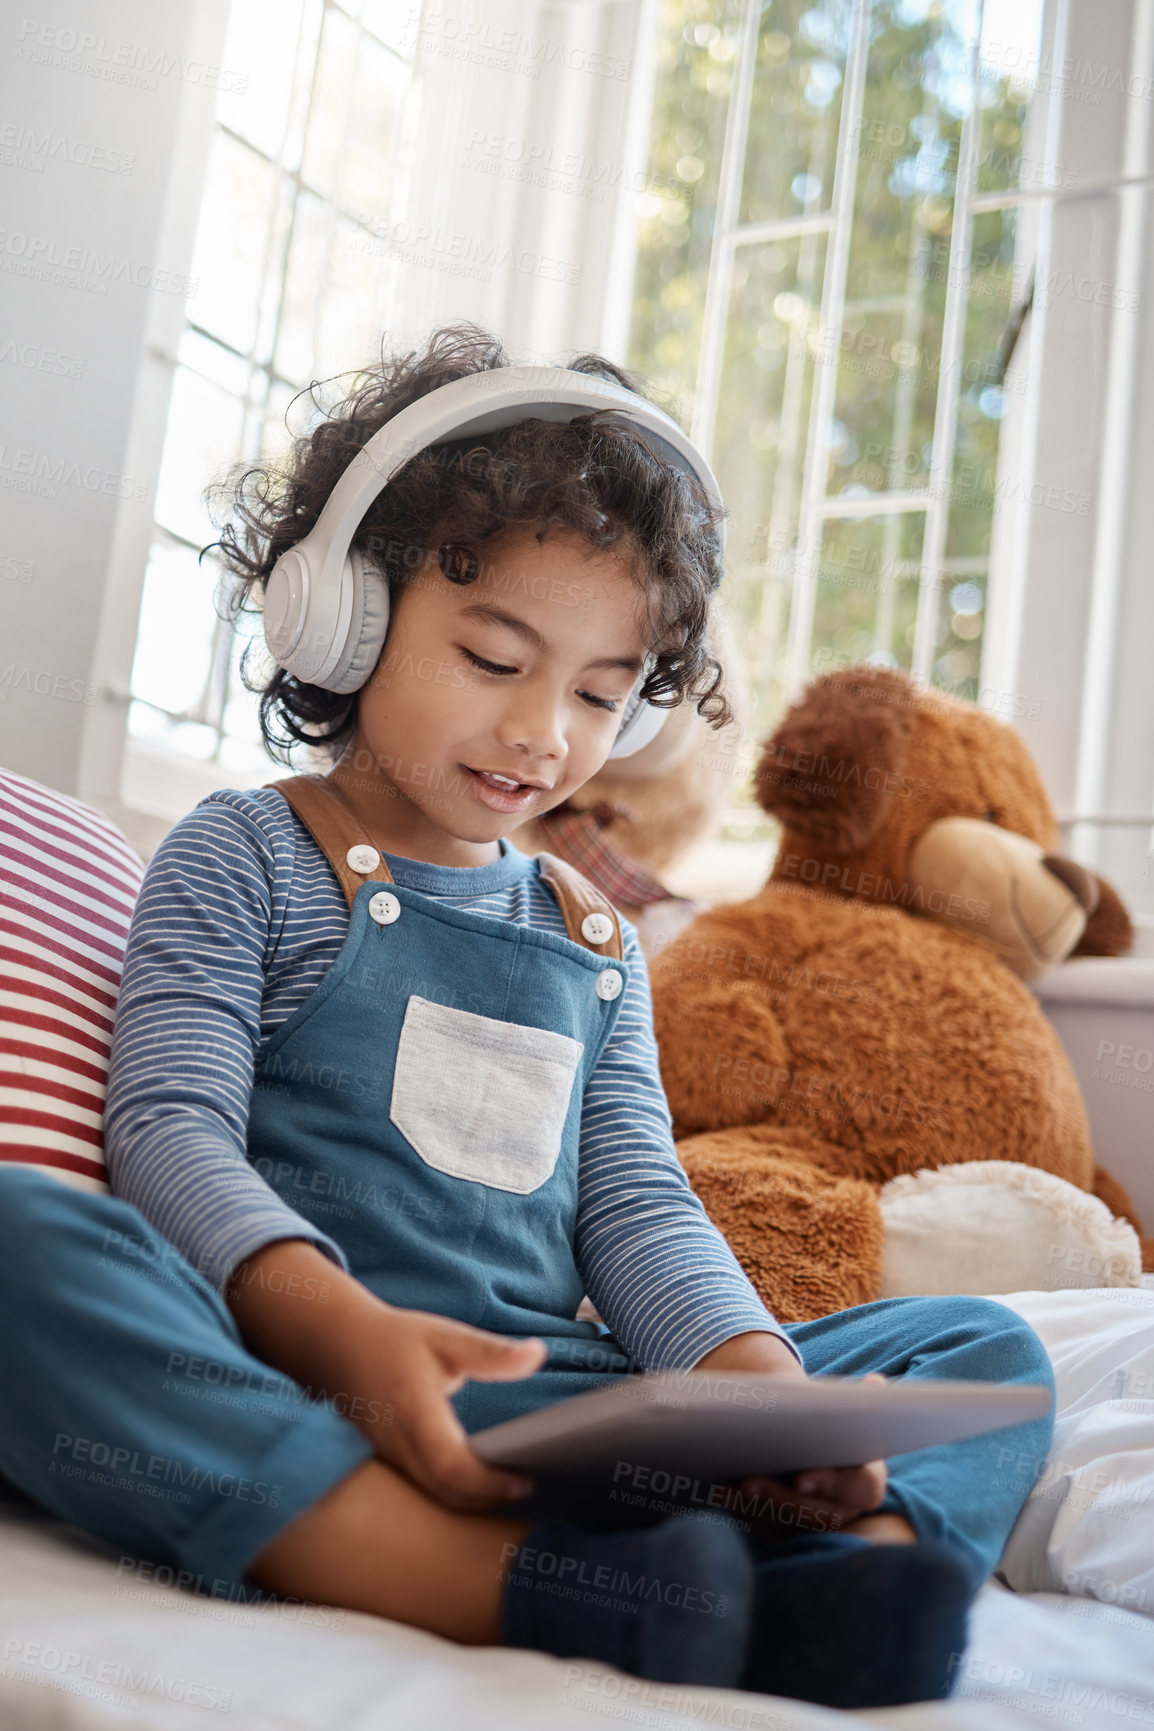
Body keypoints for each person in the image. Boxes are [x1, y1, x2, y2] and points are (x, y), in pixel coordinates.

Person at [0, 323, 1055, 1709]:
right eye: (495, 660)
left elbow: (634, 1208)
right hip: (298, 1371)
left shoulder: (593, 934)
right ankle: (453, 1575)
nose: (544, 734)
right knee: (18, 1242)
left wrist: (754, 1395)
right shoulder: (246, 852)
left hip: (541, 1397)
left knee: (983, 1348)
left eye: (601, 694)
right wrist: (341, 1332)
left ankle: (844, 1573)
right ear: (348, 613)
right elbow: (164, 1124)